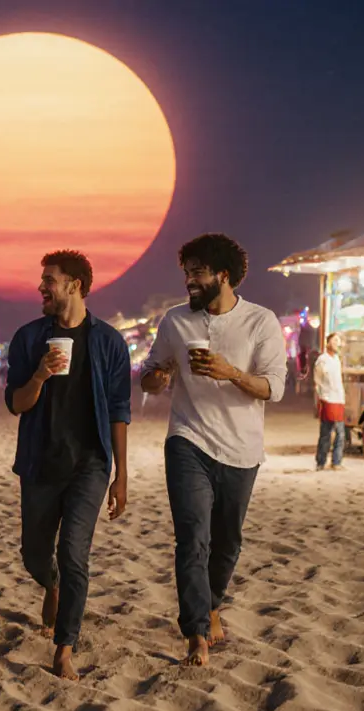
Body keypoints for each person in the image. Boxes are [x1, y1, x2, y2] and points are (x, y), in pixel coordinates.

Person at [140, 233, 287, 667]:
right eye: (187, 272)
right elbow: (149, 376)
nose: (189, 280)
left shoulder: (261, 321)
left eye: (198, 272)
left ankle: (213, 603)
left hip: (242, 448)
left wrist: (230, 372)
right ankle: (196, 634)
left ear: (224, 275)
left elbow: (274, 388)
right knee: (192, 538)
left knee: (227, 543)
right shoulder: (175, 321)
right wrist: (159, 377)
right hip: (188, 439)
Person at [5, 249, 130, 680]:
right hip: (40, 462)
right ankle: (51, 583)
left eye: (49, 280)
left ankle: (64, 648)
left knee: (74, 552)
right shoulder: (28, 339)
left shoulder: (109, 341)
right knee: (34, 555)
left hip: (89, 465)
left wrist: (121, 475)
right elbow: (17, 404)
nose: (41, 287)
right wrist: (40, 374)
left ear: (74, 286)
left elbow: (119, 411)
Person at [313, 332, 346, 471]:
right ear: (328, 343)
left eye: (339, 341)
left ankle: (336, 462)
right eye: (335, 340)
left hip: (339, 399)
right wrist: (321, 398)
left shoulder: (337, 360)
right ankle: (321, 462)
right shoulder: (322, 360)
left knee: (340, 433)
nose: (338, 343)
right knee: (326, 433)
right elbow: (317, 381)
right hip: (327, 399)